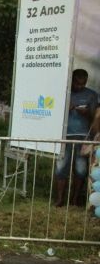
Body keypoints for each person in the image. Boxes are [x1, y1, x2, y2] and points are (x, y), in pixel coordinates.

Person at [55, 69, 99, 207]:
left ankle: (74, 200)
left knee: (81, 170)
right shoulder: (62, 92)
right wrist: (63, 109)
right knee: (61, 168)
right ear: (72, 80)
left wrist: (86, 113)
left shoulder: (92, 95)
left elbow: (96, 117)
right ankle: (60, 199)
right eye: (77, 83)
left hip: (83, 137)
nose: (80, 86)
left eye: (83, 84)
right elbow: (52, 113)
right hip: (64, 136)